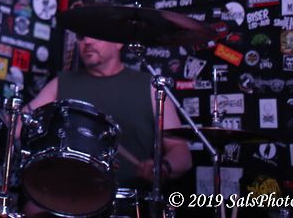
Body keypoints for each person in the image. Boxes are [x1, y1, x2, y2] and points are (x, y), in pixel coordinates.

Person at [23, 35, 192, 193]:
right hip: (66, 196)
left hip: (128, 199)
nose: (87, 41)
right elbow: (21, 122)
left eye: (96, 34)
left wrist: (163, 167)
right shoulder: (61, 82)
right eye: (81, 36)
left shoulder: (151, 87)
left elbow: (182, 153)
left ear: (118, 42)